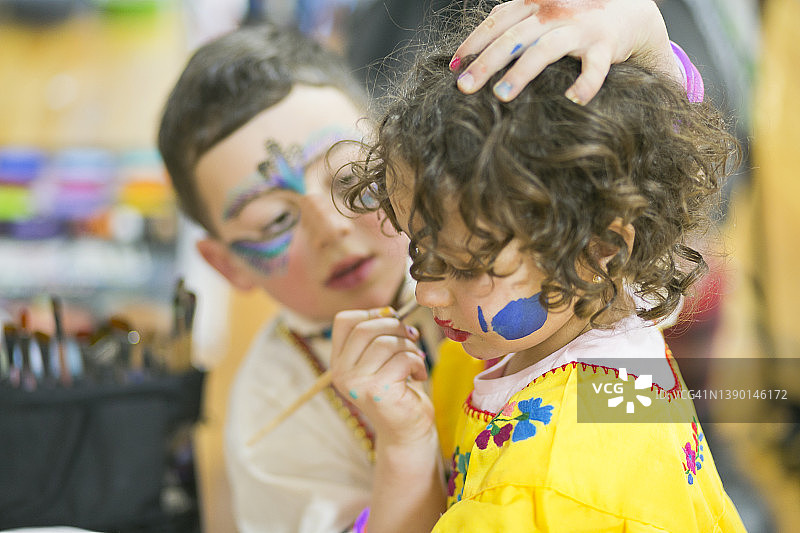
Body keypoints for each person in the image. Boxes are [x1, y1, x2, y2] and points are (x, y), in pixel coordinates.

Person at [156, 3, 700, 531]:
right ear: (226, 265)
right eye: (276, 220)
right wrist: (403, 447)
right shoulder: (273, 419)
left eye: (351, 180)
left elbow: (639, 162)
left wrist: (643, 36)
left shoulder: (535, 230)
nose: (333, 228)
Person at [329, 4, 747, 532]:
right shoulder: (607, 298)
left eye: (464, 265)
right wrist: (648, 38)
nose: (427, 292)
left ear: (601, 252)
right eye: (419, 251)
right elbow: (655, 147)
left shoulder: (542, 487)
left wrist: (400, 449)